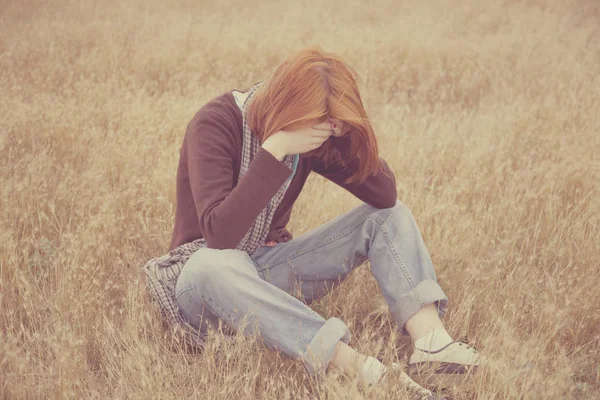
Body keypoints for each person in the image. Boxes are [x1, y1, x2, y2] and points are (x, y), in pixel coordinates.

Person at [168, 46, 485, 399]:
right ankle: (361, 371)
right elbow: (219, 235)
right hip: (203, 283)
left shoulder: (311, 137)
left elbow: (384, 196)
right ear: (288, 107)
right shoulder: (216, 122)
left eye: (331, 125)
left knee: (388, 217)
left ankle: (433, 345)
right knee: (215, 264)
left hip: (266, 271)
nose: (324, 132)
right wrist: (276, 149)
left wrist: (345, 133)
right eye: (321, 123)